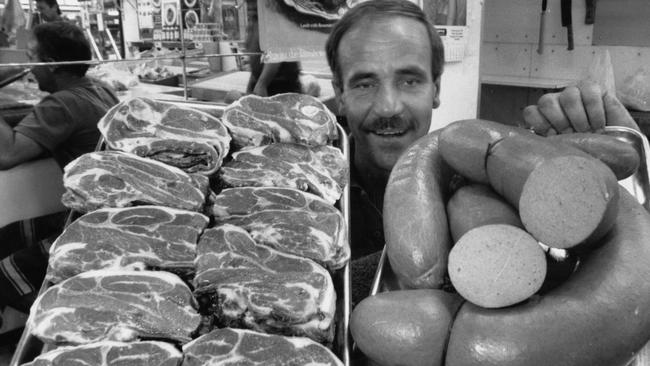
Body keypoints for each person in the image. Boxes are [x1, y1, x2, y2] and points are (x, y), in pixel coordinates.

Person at [324, 0, 640, 306]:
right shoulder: (306, 199)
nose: (388, 106)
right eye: (364, 84)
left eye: (410, 81)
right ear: (339, 93)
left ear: (435, 89)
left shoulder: (491, 183)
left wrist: (577, 169)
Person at [0, 21, 118, 339]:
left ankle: (63, 329)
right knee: (9, 236)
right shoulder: (98, 87)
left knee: (4, 273)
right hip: (103, 211)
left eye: (32, 57)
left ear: (51, 64)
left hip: (95, 225)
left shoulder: (61, 104)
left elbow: (6, 154)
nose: (28, 67)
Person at [244, 0, 302, 96]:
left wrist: (262, 84)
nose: (250, 6)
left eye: (253, 3)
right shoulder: (255, 21)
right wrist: (251, 85)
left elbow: (275, 54)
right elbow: (255, 57)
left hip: (281, 86)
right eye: (248, 3)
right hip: (263, 82)